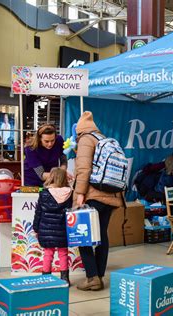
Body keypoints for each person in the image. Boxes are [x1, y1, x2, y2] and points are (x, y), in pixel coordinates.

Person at [73, 112, 124, 291]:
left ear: (79, 130)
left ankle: (92, 278)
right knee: (102, 234)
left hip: (93, 195)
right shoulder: (103, 138)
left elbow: (83, 168)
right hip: (110, 194)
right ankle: (99, 275)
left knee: (83, 236)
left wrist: (79, 194)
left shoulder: (86, 139)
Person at [33, 167, 73, 284]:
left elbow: (38, 213)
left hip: (46, 230)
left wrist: (36, 228)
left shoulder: (44, 194)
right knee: (63, 253)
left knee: (48, 253)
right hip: (63, 230)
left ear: (51, 178)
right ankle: (65, 279)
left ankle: (46, 278)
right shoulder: (70, 193)